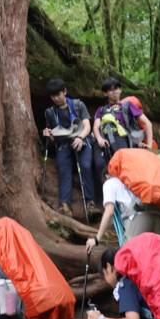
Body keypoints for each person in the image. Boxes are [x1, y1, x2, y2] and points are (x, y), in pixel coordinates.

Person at [41, 78, 97, 218]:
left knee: (85, 165)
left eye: (58, 94)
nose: (56, 98)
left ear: (65, 92)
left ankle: (90, 204)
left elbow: (87, 125)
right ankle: (65, 205)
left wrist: (80, 138)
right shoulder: (50, 112)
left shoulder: (78, 105)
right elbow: (53, 135)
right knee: (63, 168)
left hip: (81, 141)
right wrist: (48, 134)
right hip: (63, 144)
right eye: (52, 96)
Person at [85, 174, 160, 252]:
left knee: (128, 257)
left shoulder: (109, 183)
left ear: (106, 176)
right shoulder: (130, 178)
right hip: (157, 216)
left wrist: (97, 239)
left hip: (138, 219)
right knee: (156, 256)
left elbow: (109, 211)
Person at [93, 77, 153, 156]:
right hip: (105, 140)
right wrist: (99, 139)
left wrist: (149, 146)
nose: (114, 92)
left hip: (124, 138)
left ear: (120, 90)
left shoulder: (128, 106)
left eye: (116, 88)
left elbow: (147, 123)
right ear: (105, 93)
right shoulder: (101, 110)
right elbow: (96, 126)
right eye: (111, 90)